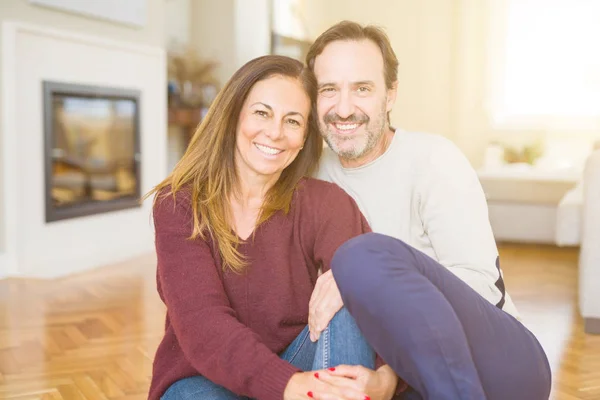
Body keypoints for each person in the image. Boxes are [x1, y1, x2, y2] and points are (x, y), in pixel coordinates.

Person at [304, 21, 552, 400]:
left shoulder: (434, 160)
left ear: (390, 95)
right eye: (329, 90)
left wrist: (361, 280)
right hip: (403, 378)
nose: (344, 108)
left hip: (500, 364)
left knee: (361, 257)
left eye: (363, 89)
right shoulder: (309, 178)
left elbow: (482, 286)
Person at [146, 55, 400, 400]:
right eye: (262, 113)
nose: (275, 133)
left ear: (305, 136)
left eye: (293, 121)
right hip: (205, 379)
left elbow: (381, 298)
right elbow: (203, 325)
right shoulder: (179, 204)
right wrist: (288, 386)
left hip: (302, 364)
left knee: (350, 282)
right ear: (234, 114)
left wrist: (387, 379)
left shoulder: (326, 203)